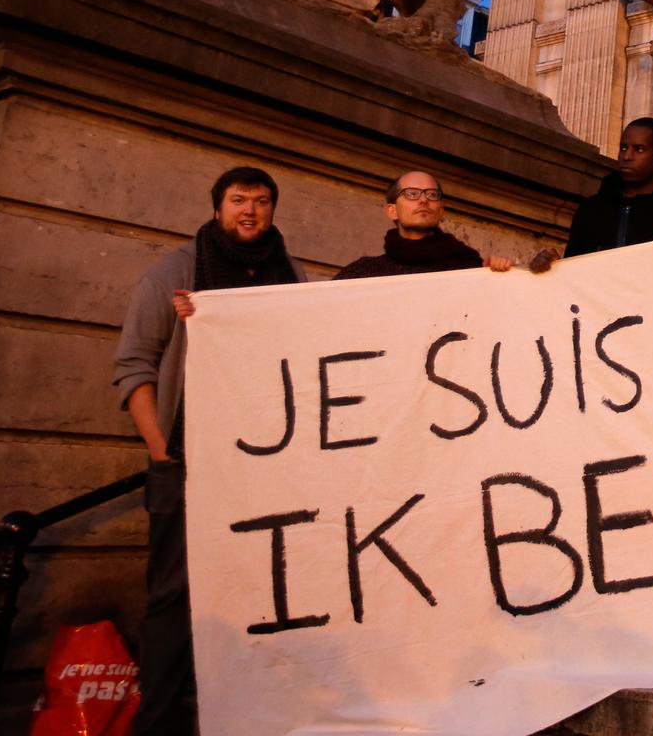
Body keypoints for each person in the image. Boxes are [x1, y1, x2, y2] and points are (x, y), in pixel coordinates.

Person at [111, 167, 306, 734]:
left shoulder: (292, 276)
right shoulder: (177, 271)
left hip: (266, 467)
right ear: (217, 206)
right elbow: (133, 364)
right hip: (187, 462)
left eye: (262, 201)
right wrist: (160, 448)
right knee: (173, 596)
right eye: (238, 200)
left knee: (263, 591)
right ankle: (161, 720)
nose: (250, 210)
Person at [530, 118, 653, 270]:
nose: (627, 156)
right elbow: (575, 270)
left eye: (639, 149)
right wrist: (554, 267)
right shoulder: (592, 210)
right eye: (623, 147)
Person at [334, 170, 515, 279]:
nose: (423, 200)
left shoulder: (467, 267)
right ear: (392, 210)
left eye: (431, 195)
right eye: (412, 194)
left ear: (440, 211)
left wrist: (501, 274)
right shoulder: (363, 272)